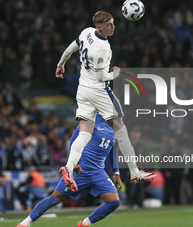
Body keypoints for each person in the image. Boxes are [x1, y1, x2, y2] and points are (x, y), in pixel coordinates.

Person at [55, 11, 155, 191]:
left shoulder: (86, 32)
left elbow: (71, 48)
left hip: (83, 89)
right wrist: (115, 73)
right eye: (110, 24)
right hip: (99, 92)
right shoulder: (103, 48)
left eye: (113, 23)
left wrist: (60, 64)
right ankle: (134, 172)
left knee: (85, 133)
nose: (113, 27)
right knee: (121, 129)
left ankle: (68, 168)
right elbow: (103, 77)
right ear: (99, 27)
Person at [16, 113, 122, 227]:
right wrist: (73, 162)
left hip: (98, 171)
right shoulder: (93, 118)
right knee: (55, 198)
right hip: (80, 169)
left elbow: (115, 150)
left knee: (114, 201)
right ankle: (24, 224)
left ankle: (85, 224)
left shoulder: (117, 126)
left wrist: (116, 172)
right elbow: (74, 139)